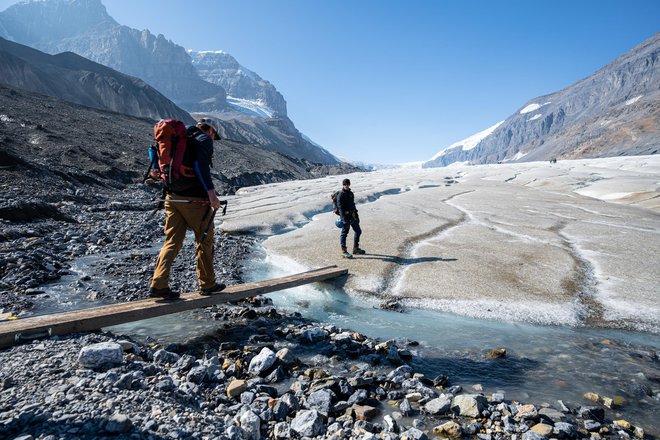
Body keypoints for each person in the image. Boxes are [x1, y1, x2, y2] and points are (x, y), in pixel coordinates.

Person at [149, 118, 226, 299]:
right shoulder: (204, 140)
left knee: (172, 241)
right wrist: (211, 194)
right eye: (214, 136)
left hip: (171, 196)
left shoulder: (179, 138)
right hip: (195, 200)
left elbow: (154, 152)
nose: (213, 139)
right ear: (211, 131)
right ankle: (207, 284)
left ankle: (159, 284)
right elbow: (200, 167)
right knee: (204, 240)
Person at [337, 178, 365, 258]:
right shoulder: (341, 194)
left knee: (358, 231)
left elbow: (353, 205)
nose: (346, 185)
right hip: (346, 217)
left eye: (347, 184)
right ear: (343, 185)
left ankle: (355, 248)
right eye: (345, 184)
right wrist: (343, 219)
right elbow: (340, 208)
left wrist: (356, 215)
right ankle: (344, 251)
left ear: (349, 184)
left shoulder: (351, 193)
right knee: (344, 234)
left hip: (352, 216)